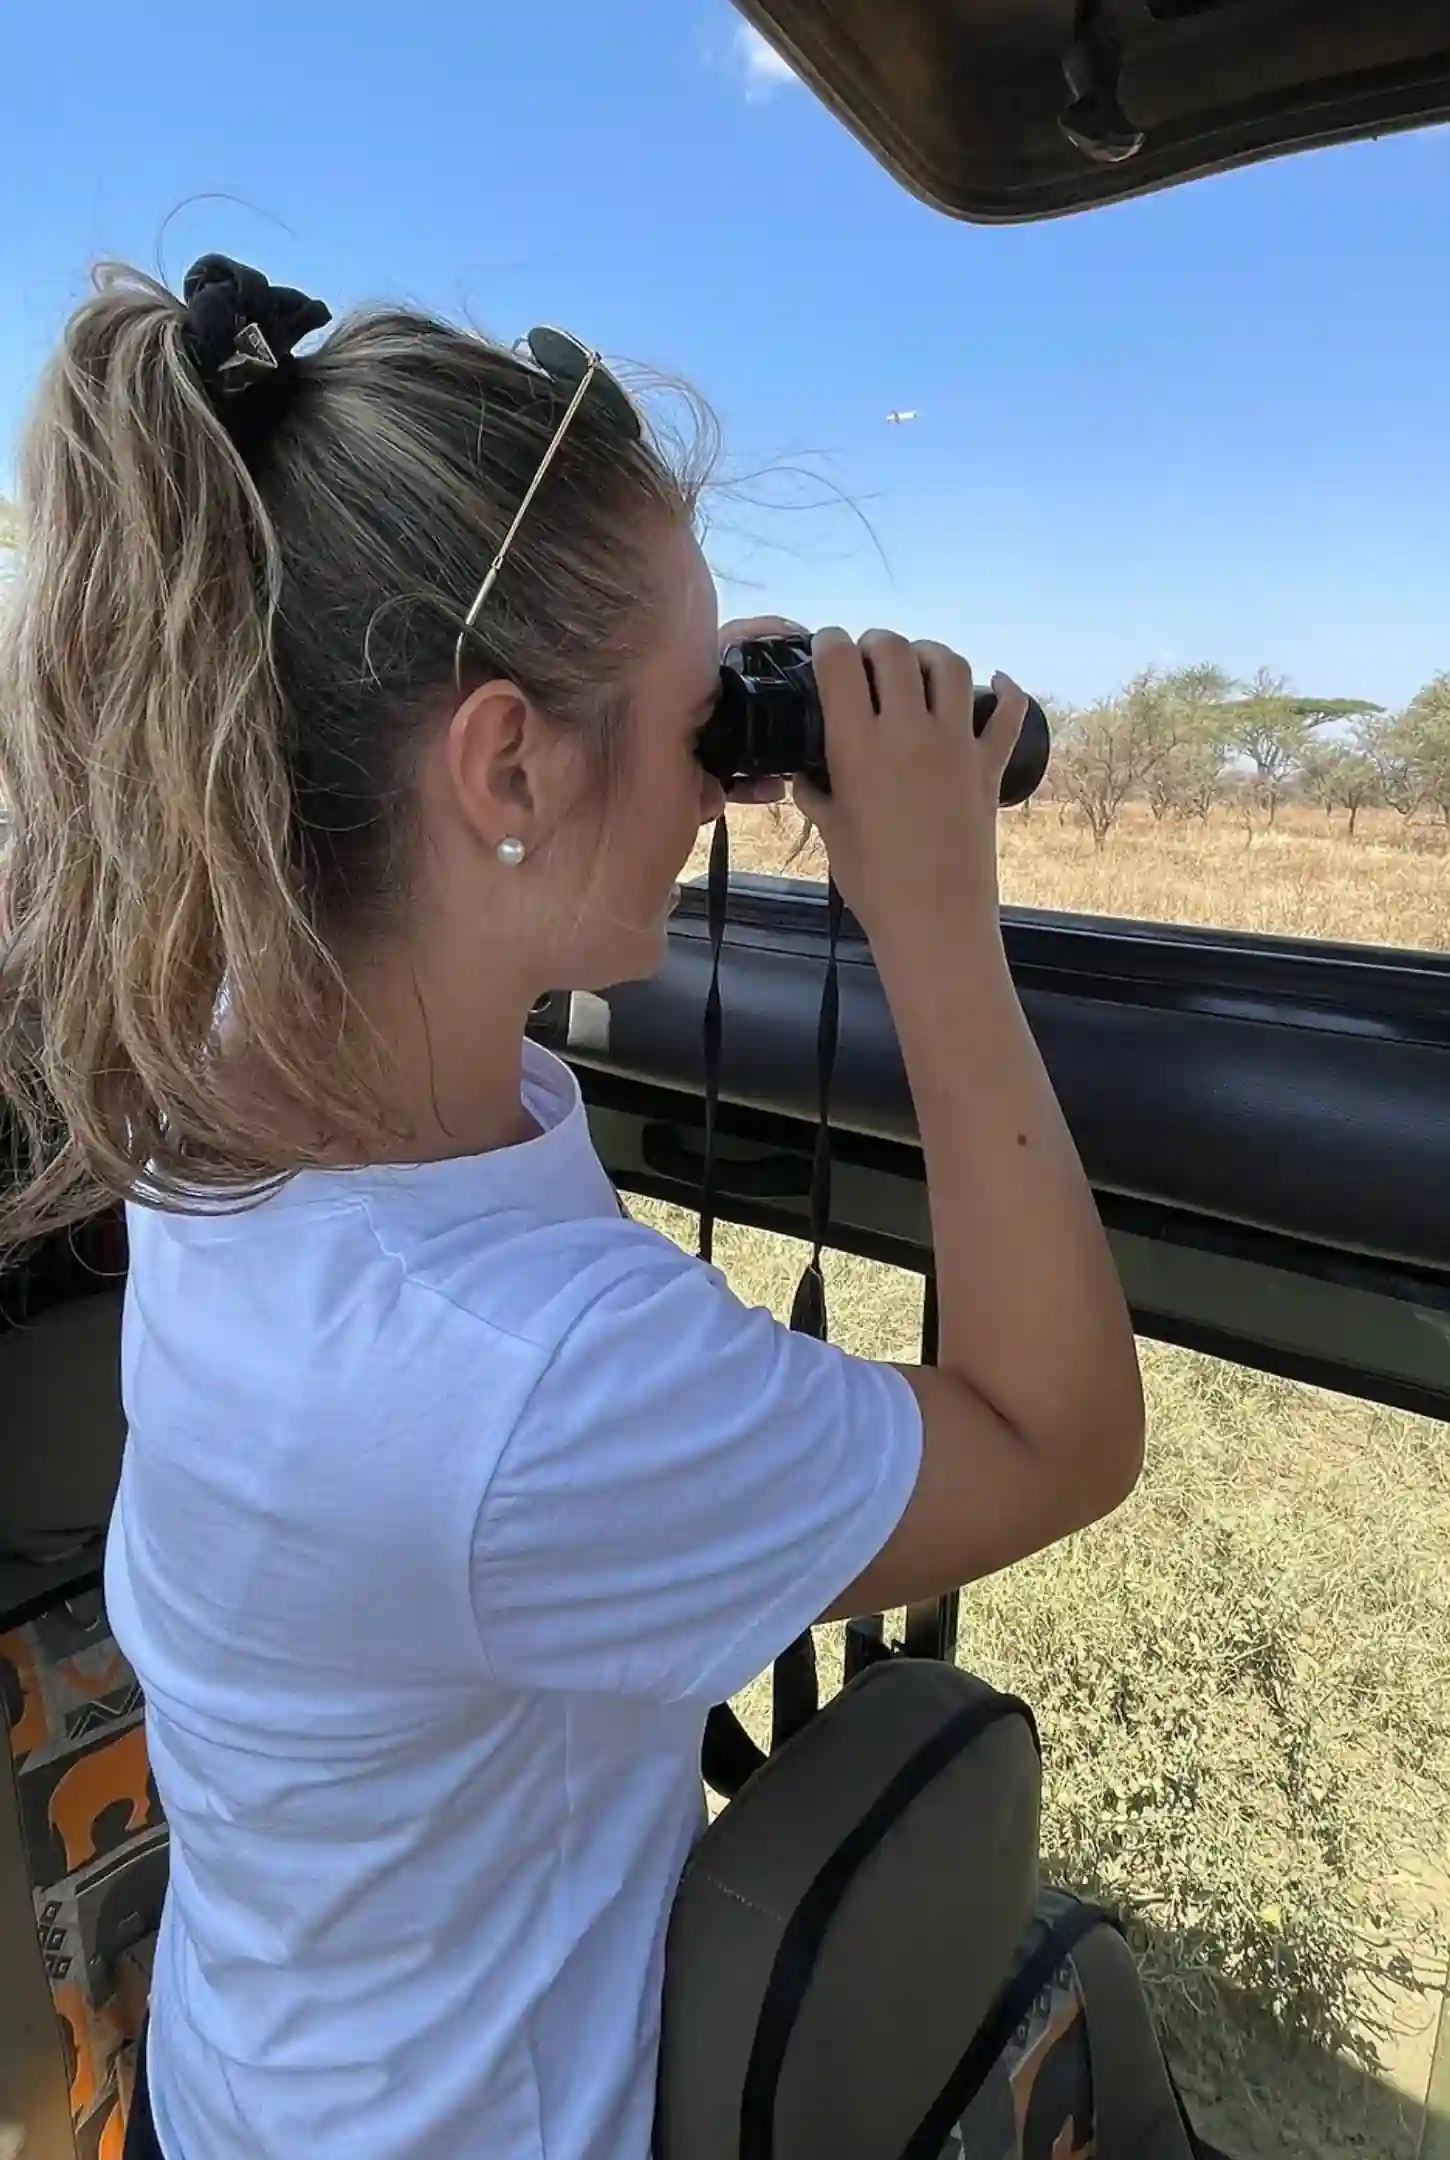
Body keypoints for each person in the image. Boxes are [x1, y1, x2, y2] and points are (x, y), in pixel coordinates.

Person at [0, 255, 1144, 2160]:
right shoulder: (521, 1388)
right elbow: (1058, 1436)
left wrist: (644, 686)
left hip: (251, 2081)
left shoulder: (233, 1080)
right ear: (503, 758)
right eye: (694, 734)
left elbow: (445, 888)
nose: (714, 786)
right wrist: (933, 920)